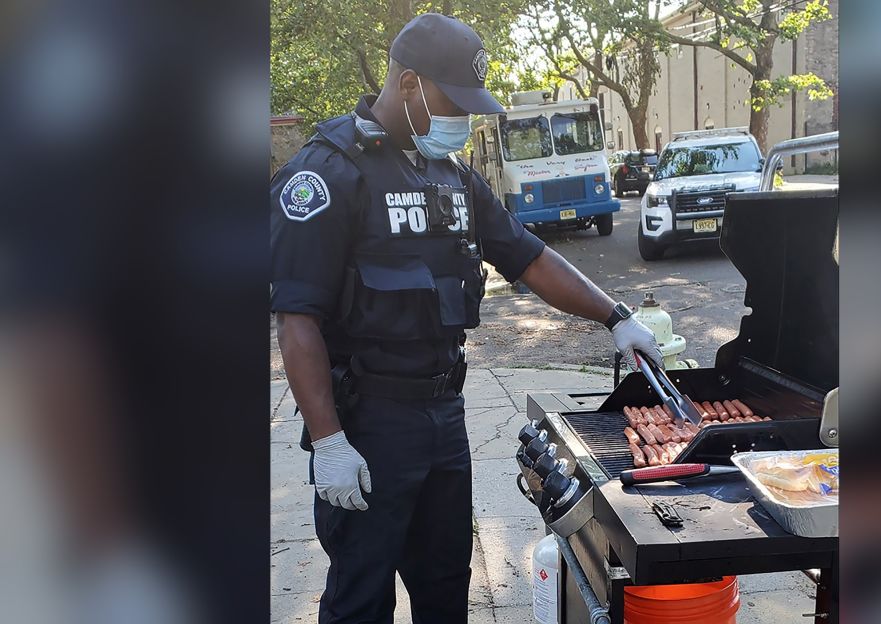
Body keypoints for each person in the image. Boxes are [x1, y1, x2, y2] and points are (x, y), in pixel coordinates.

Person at [271, 13, 663, 624]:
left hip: (444, 417)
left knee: (447, 581)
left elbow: (530, 259)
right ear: (407, 84)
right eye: (453, 102)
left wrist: (616, 317)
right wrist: (328, 443)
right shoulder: (327, 175)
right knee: (360, 594)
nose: (465, 119)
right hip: (368, 423)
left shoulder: (452, 177)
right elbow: (298, 321)